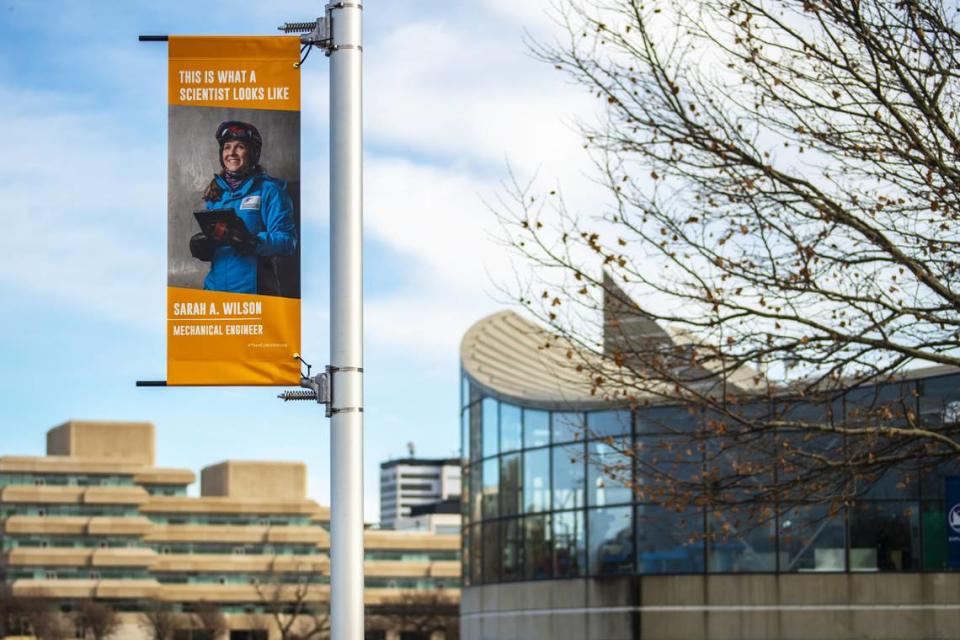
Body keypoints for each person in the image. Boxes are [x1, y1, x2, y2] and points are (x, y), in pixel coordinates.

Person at [189, 121, 297, 296]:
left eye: (240, 147)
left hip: (254, 294)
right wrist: (205, 246)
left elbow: (288, 242)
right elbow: (220, 243)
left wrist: (253, 241)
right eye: (226, 147)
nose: (231, 153)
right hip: (215, 292)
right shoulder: (217, 193)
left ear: (253, 153)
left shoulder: (270, 191)